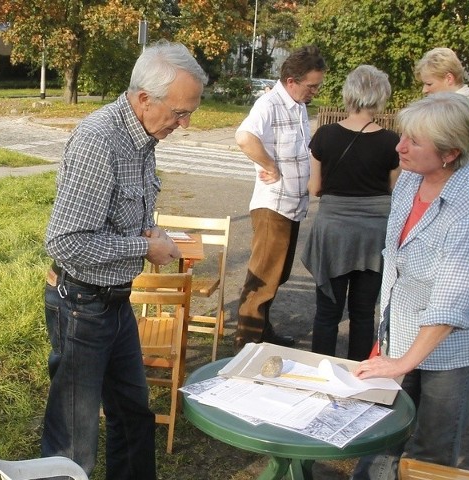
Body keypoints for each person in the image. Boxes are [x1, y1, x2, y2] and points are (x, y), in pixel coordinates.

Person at [41, 40, 208, 479]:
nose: (184, 123)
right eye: (179, 112)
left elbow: (117, 213)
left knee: (134, 417)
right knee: (73, 443)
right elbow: (67, 242)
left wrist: (150, 232)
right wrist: (144, 247)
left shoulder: (143, 135)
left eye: (189, 112)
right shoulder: (100, 140)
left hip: (114, 303)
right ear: (144, 99)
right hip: (80, 305)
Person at [351, 92, 469, 479]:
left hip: (453, 351)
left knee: (430, 450)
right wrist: (386, 339)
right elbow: (398, 261)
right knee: (384, 430)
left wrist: (404, 363)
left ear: (450, 153)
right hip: (403, 332)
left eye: (414, 142)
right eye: (403, 136)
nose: (399, 146)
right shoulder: (410, 180)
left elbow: (451, 301)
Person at [301, 65, 400, 361]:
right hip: (373, 236)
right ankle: (359, 374)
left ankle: (321, 370)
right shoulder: (392, 142)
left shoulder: (325, 136)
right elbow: (394, 191)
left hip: (334, 232)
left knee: (328, 312)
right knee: (363, 313)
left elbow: (316, 188)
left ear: (349, 94)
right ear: (381, 96)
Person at [233, 45, 326, 351]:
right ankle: (246, 344)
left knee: (277, 275)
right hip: (273, 206)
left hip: (292, 206)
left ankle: (262, 332)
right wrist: (269, 165)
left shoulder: (297, 106)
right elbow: (244, 137)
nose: (314, 91)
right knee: (262, 278)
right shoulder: (269, 104)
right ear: (291, 81)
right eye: (311, 85)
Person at [415, 47, 469, 170]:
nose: (424, 90)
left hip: (453, 185)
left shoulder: (454, 111)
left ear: (449, 78)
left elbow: (436, 159)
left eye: (429, 84)